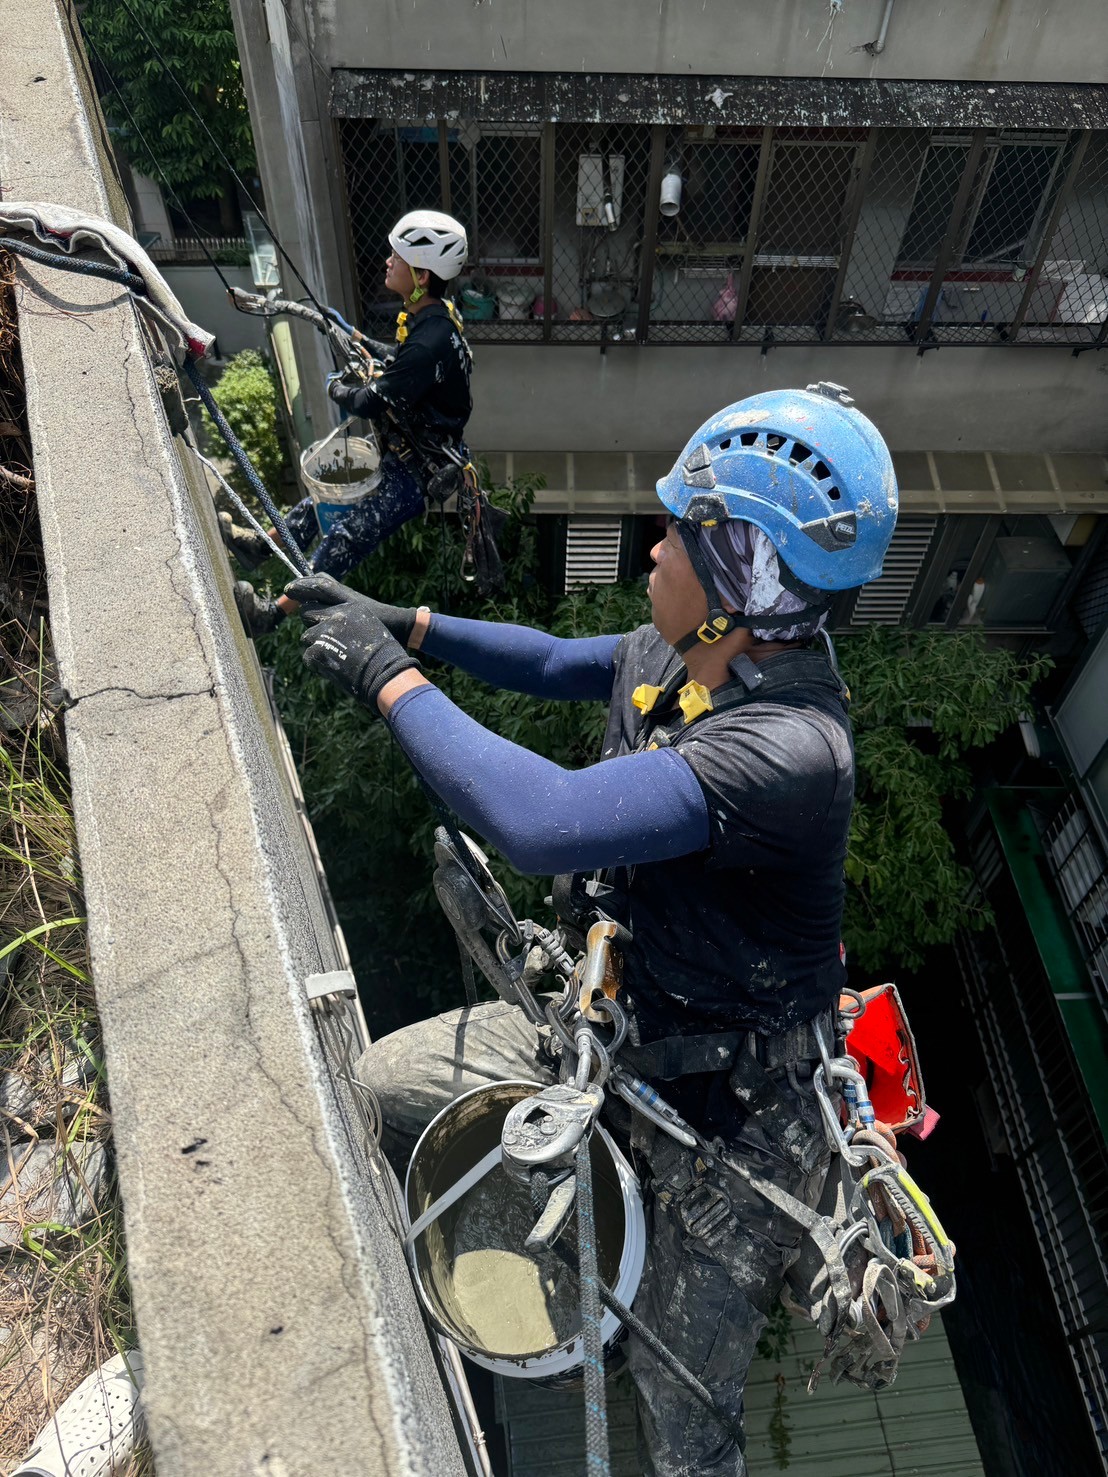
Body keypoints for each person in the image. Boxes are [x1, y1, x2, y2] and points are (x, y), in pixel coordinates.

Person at [286, 383, 898, 1475]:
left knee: (680, 1427)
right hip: (613, 1036)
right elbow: (558, 661)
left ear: (740, 579)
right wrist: (406, 622)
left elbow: (544, 821)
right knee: (384, 1089)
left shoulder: (793, 752)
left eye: (680, 534)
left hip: (731, 1127)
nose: (653, 547)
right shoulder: (689, 654)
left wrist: (384, 676)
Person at [231, 209, 473, 635]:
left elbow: (369, 400)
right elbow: (403, 363)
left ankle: (269, 616)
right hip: (405, 454)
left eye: (396, 257)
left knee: (345, 538)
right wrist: (358, 340)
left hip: (417, 472)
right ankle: (258, 547)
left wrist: (335, 389)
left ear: (420, 275)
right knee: (317, 506)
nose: (388, 262)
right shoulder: (435, 316)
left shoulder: (431, 340)